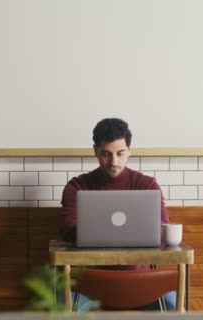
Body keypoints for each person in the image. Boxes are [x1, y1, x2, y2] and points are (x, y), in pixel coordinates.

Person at [59, 117, 176, 311]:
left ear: (129, 151)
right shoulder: (77, 187)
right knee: (61, 304)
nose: (114, 161)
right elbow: (68, 231)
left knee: (175, 304)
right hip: (91, 284)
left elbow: (161, 233)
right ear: (95, 151)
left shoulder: (146, 185)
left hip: (140, 282)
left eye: (120, 153)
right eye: (106, 154)